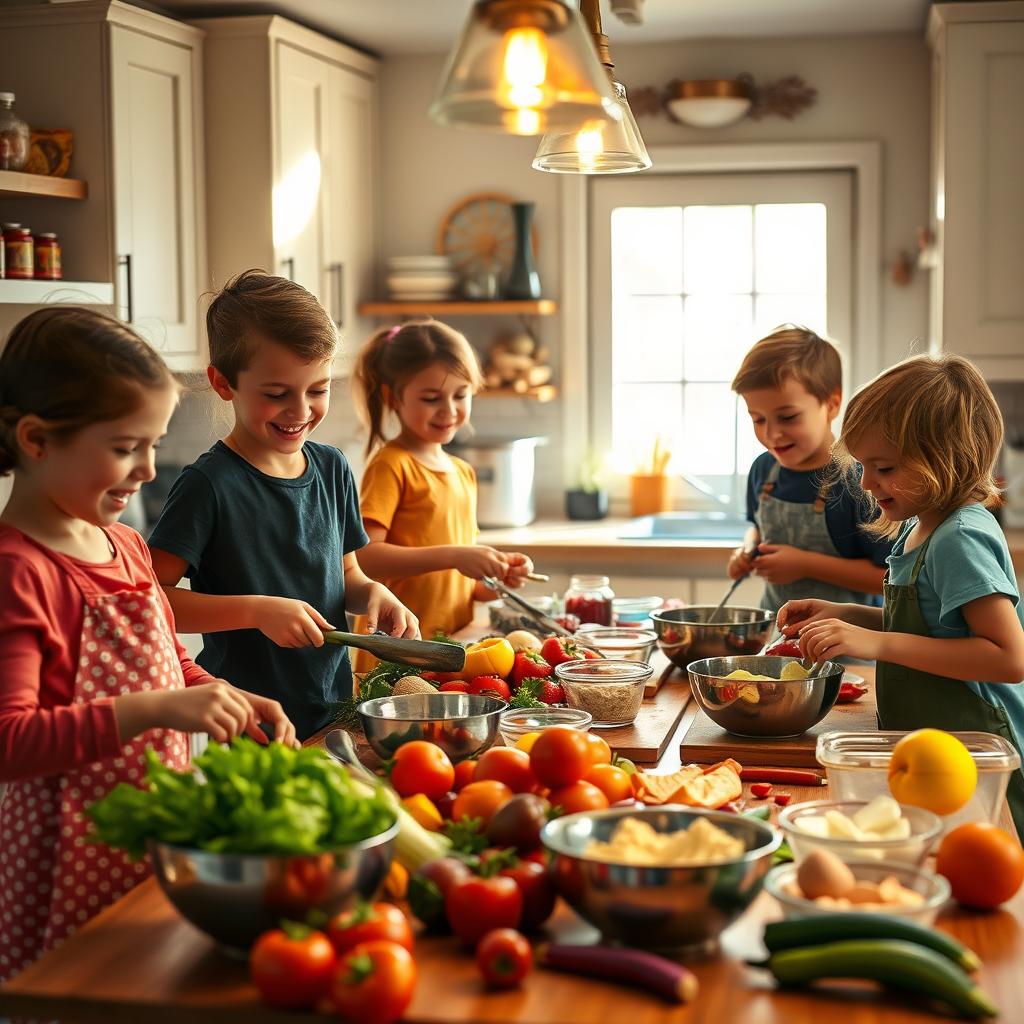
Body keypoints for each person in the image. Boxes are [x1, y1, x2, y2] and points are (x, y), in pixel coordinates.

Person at [0, 307, 296, 981]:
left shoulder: (128, 546)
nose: (147, 469)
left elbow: (168, 665)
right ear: (37, 439)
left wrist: (228, 696)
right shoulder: (18, 571)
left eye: (154, 444)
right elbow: (10, 742)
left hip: (153, 838)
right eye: (125, 446)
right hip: (67, 858)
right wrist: (158, 710)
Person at [147, 271, 417, 741]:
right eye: (276, 394)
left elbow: (347, 575)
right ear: (222, 382)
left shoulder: (332, 468)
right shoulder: (207, 486)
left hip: (336, 711)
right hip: (250, 723)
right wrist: (255, 611)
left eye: (318, 389)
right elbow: (151, 601)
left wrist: (374, 594)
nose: (300, 411)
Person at [779, 354, 1024, 836]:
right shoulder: (919, 525)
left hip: (976, 755)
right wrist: (845, 614)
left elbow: (1008, 656)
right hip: (932, 748)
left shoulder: (959, 537)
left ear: (944, 458)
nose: (868, 483)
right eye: (864, 466)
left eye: (884, 466)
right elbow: (926, 624)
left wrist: (875, 643)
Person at [350, 320, 533, 662]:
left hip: (453, 649)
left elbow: (460, 584)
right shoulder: (392, 464)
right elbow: (366, 558)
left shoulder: (463, 472)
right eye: (431, 398)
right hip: (398, 652)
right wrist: (456, 554)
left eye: (461, 395)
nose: (449, 410)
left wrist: (495, 576)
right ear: (393, 397)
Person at [729, 326, 891, 613]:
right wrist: (747, 549)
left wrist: (805, 565)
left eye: (788, 417)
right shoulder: (764, 469)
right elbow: (756, 528)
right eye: (758, 419)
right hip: (777, 638)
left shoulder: (861, 479)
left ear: (831, 404)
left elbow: (889, 579)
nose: (772, 434)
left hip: (850, 646)